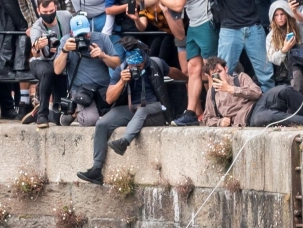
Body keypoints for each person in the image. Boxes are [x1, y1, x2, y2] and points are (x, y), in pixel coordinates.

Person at [77, 38, 185, 185]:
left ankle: (124, 142)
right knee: (102, 123)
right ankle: (96, 170)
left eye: (139, 66)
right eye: (132, 65)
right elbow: (109, 98)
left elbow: (173, 72)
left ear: (145, 60)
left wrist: (189, 79)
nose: (136, 68)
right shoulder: (121, 69)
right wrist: (122, 81)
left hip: (155, 108)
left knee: (142, 111)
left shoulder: (156, 63)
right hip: (131, 108)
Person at [201, 56, 303, 127]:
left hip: (259, 101)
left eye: (219, 72)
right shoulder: (212, 95)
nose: (218, 76)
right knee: (270, 117)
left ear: (225, 69)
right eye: (214, 75)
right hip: (247, 117)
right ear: (209, 76)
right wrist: (220, 122)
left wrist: (232, 89)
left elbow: (256, 93)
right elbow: (207, 118)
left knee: (284, 90)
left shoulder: (240, 78)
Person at [53, 14, 121, 126]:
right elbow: (57, 70)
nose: (83, 38)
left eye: (85, 34)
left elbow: (117, 64)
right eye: (79, 35)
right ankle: (75, 112)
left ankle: (76, 113)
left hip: (103, 88)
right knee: (90, 121)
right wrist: (65, 51)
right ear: (71, 33)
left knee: (114, 120)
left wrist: (103, 56)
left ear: (89, 29)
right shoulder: (66, 41)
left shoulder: (101, 38)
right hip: (81, 90)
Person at [165, 0, 218, 127]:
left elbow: (178, 6)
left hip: (206, 22)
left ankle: (214, 111)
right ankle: (190, 113)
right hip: (193, 26)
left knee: (210, 69)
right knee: (192, 70)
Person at [28, 0, 72, 128]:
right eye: (45, 12)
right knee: (47, 71)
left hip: (60, 62)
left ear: (56, 8)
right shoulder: (37, 27)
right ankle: (42, 114)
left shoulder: (66, 16)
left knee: (59, 118)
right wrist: (38, 46)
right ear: (39, 11)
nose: (49, 14)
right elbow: (35, 53)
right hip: (41, 62)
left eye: (51, 11)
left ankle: (40, 112)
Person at [216, 0, 274, 92]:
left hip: (253, 25)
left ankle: (272, 104)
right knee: (222, 73)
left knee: (266, 75)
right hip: (230, 28)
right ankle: (222, 105)